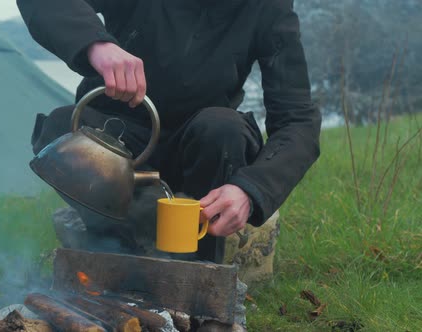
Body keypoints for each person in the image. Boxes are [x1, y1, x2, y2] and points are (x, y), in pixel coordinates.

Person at [17, 0, 321, 263]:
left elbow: (297, 120)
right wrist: (95, 44)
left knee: (223, 129)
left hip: (201, 155)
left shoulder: (267, 7)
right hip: (119, 145)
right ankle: (116, 254)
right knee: (61, 131)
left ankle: (198, 273)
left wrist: (251, 189)